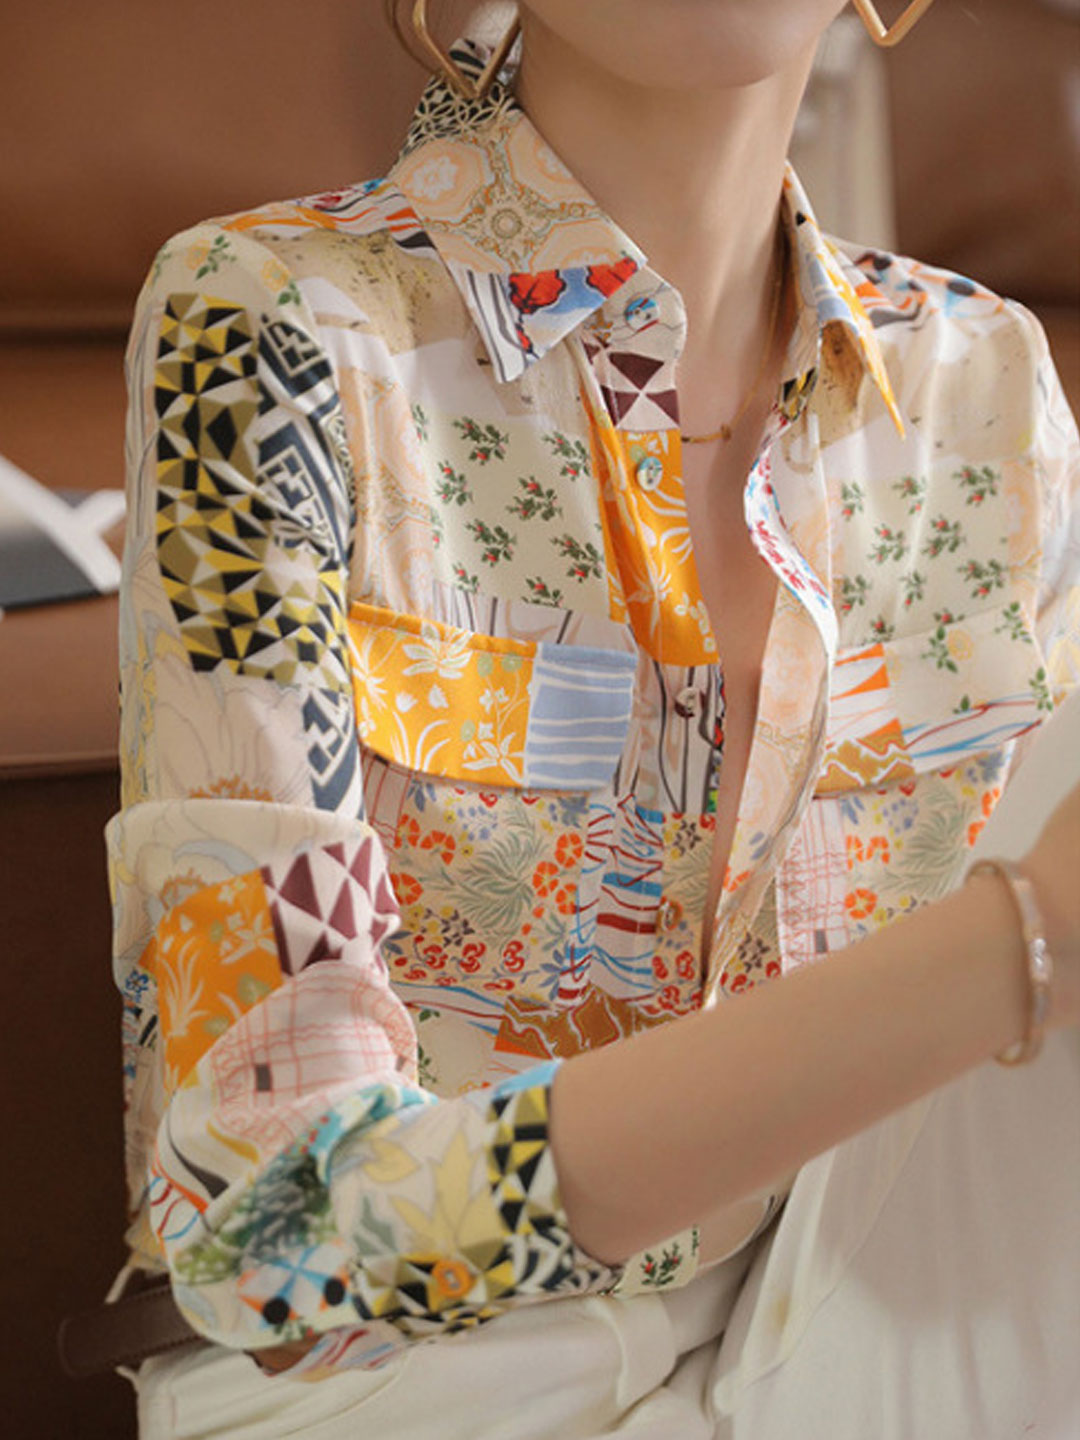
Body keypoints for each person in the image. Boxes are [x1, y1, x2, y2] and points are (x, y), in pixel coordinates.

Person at [106, 1, 1080, 1434]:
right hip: (419, 1386)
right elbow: (277, 1235)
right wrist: (1025, 937)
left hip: (850, 1324)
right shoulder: (269, 325)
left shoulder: (984, 385)